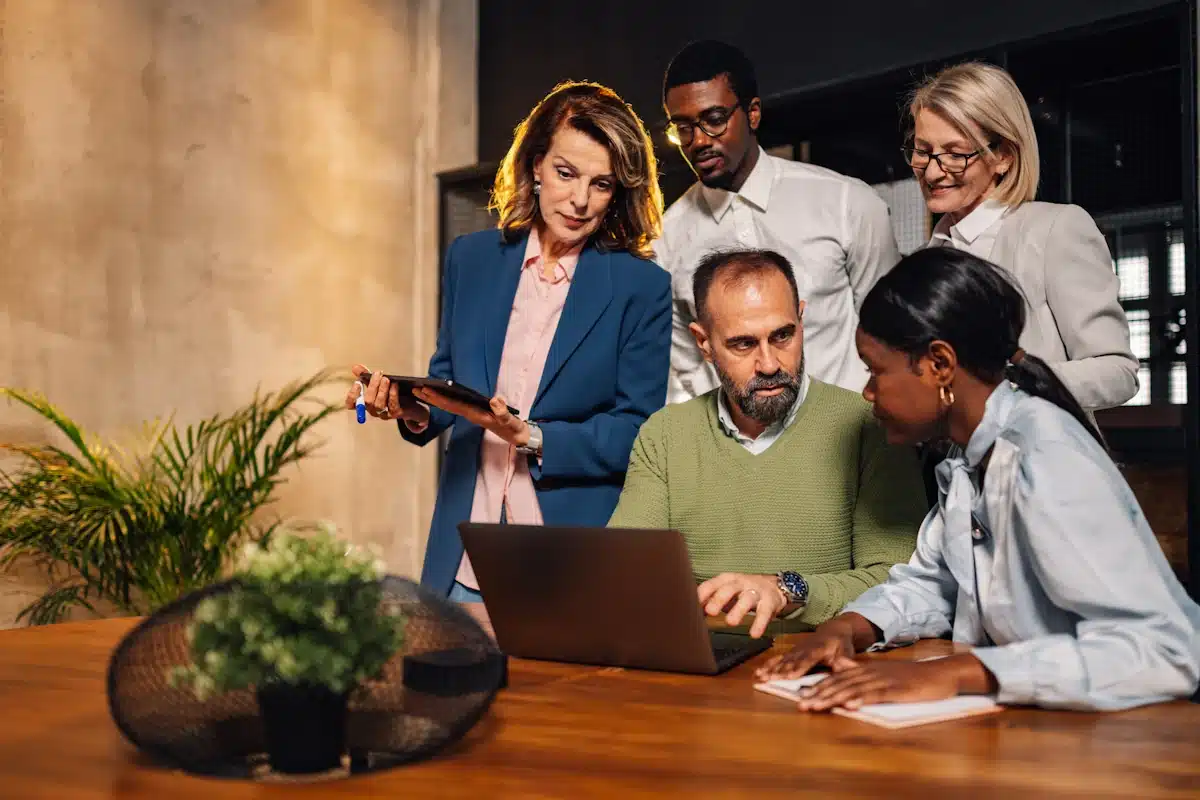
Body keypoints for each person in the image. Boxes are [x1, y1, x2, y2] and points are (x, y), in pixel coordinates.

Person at [757, 247, 1200, 711]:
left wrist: (961, 673)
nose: (868, 392)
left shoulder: (1046, 457)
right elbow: (937, 583)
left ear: (940, 365)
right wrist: (846, 628)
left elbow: (1166, 648)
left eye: (876, 371)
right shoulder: (969, 459)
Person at [348, 81, 672, 601]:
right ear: (537, 165)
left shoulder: (642, 287)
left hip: (570, 555)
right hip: (465, 548)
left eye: (602, 184)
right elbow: (452, 385)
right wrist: (410, 409)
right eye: (566, 174)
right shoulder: (471, 260)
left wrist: (533, 436)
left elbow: (638, 433)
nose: (580, 200)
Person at [608, 248, 926, 638]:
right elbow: (624, 572)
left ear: (802, 321)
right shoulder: (665, 434)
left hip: (822, 660)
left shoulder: (870, 425)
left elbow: (899, 583)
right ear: (703, 343)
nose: (770, 364)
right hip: (697, 657)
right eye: (743, 344)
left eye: (782, 335)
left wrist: (787, 590)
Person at [657, 41, 901, 403]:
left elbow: (893, 338)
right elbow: (685, 371)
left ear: (752, 113)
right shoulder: (666, 239)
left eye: (714, 120)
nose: (698, 142)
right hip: (736, 454)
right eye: (683, 128)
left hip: (851, 443)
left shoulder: (847, 203)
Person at [905, 61, 1137, 411]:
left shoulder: (1055, 230)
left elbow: (1119, 372)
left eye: (955, 154)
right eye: (923, 151)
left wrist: (1008, 386)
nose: (934, 171)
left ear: (1003, 157)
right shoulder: (922, 261)